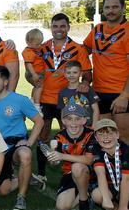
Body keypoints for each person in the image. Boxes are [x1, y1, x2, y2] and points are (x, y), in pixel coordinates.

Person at [34, 13, 92, 188]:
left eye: (62, 26)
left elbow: (87, 72)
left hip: (68, 99)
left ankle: (73, 171)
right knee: (42, 136)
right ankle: (42, 174)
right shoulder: (43, 48)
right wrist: (33, 79)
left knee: (71, 134)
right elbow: (33, 73)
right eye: (55, 26)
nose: (58, 29)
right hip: (45, 98)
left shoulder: (77, 48)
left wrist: (85, 84)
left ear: (68, 27)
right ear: (51, 28)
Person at [0, 65, 44, 210]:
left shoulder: (20, 100)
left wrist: (29, 142)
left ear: (5, 82)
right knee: (3, 191)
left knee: (25, 155)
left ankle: (21, 198)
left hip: (16, 144)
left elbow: (39, 121)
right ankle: (27, 177)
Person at [83, 0, 129, 143]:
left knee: (123, 136)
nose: (111, 11)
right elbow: (82, 51)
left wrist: (125, 96)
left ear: (123, 8)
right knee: (104, 137)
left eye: (115, 7)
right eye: (107, 7)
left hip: (120, 92)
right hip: (99, 91)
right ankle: (109, 167)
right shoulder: (97, 29)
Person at [48, 104, 96, 210]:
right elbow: (54, 164)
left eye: (77, 119)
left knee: (77, 167)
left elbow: (89, 160)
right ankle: (89, 193)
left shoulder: (91, 135)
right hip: (70, 173)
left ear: (84, 120)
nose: (73, 123)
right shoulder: (59, 137)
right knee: (62, 206)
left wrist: (62, 156)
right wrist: (53, 158)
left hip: (92, 173)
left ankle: (84, 203)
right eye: (69, 119)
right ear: (63, 121)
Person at [90, 119, 129, 210]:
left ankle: (121, 208)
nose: (105, 137)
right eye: (101, 134)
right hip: (115, 186)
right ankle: (114, 209)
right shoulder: (97, 149)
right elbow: (100, 173)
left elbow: (126, 180)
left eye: (110, 133)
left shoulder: (126, 151)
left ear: (117, 135)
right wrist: (106, 199)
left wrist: (123, 207)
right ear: (96, 138)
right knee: (97, 194)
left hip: (127, 186)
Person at [57, 60, 100, 127]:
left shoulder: (87, 89)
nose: (71, 75)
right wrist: (64, 126)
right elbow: (63, 111)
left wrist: (94, 126)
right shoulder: (63, 92)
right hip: (71, 127)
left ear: (80, 73)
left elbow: (96, 109)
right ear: (64, 74)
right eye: (68, 73)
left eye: (75, 72)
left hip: (87, 126)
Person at [22, 28, 45, 108]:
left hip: (37, 73)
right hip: (32, 73)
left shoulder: (36, 49)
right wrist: (34, 74)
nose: (39, 46)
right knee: (40, 86)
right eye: (37, 44)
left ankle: (32, 100)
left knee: (36, 86)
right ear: (28, 42)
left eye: (40, 43)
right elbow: (29, 64)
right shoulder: (28, 51)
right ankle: (37, 105)